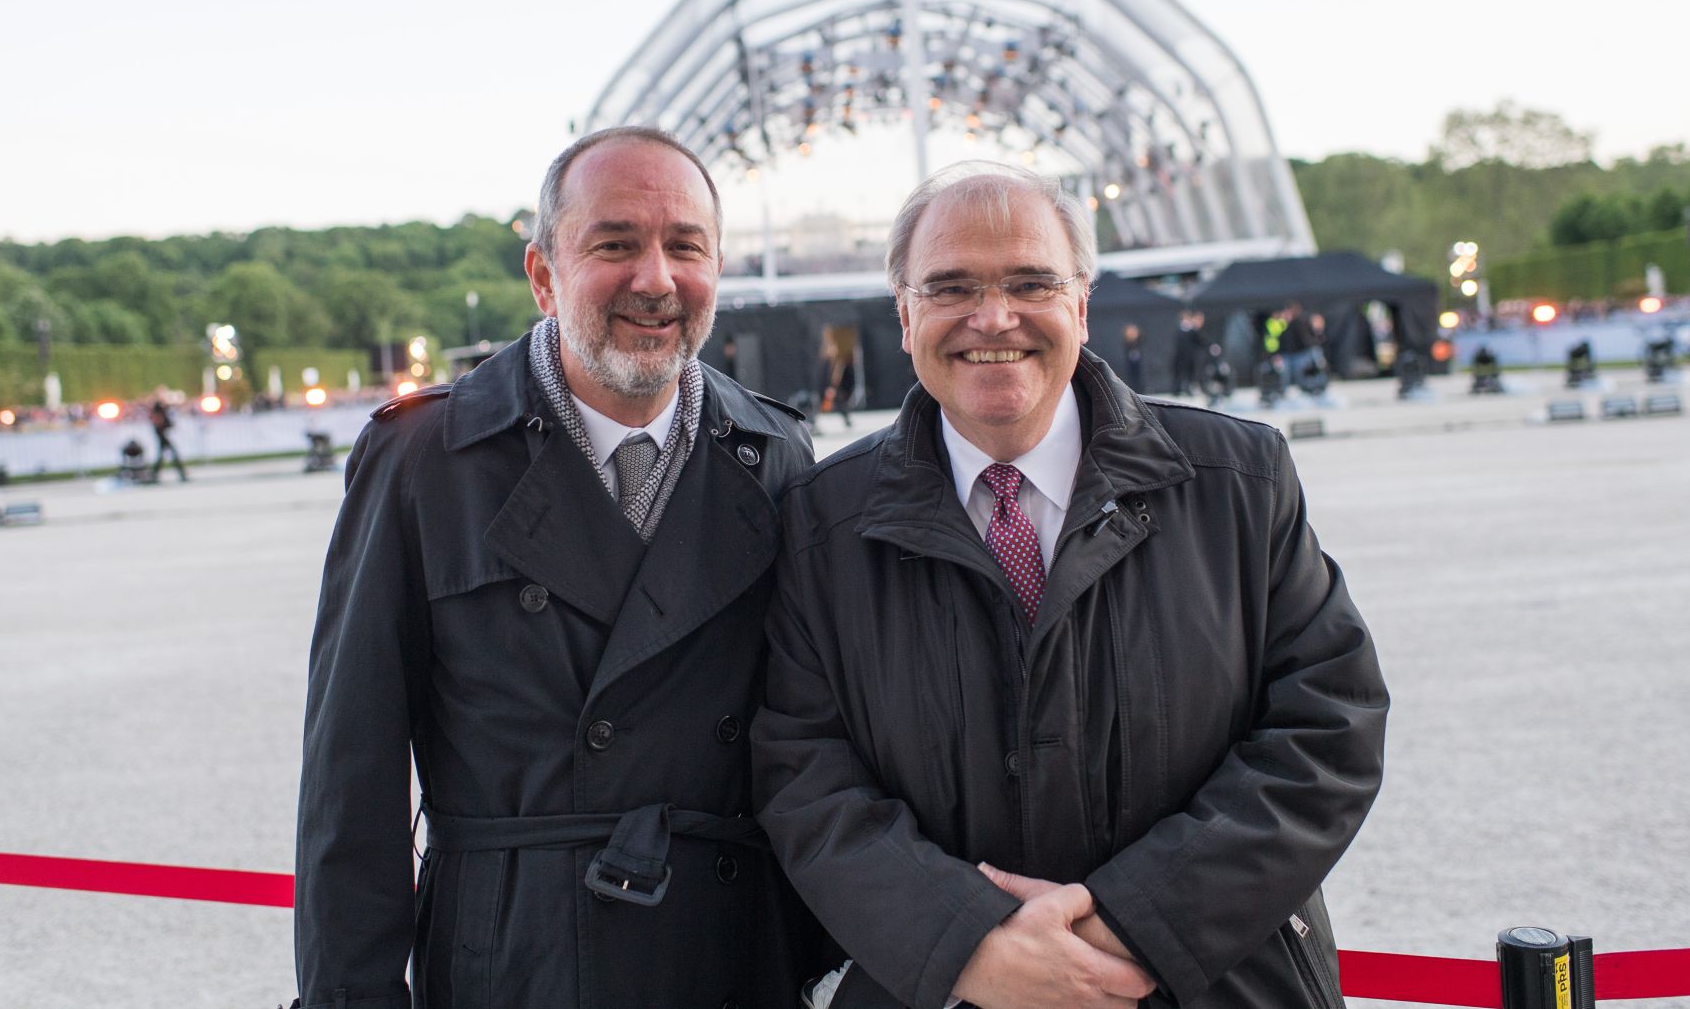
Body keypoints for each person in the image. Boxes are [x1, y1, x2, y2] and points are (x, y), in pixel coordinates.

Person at [753, 162, 1387, 1009]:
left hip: (1212, 984)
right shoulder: (823, 523)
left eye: (1030, 282)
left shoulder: (1236, 481)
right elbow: (804, 774)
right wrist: (970, 944)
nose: (994, 316)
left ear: (1081, 303)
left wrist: (1126, 924)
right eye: (952, 288)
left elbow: (1328, 726)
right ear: (904, 316)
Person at [295, 127, 823, 1008]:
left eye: (684, 246)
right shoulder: (425, 459)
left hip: (732, 957)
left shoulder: (776, 455)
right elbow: (353, 775)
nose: (655, 278)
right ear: (543, 275)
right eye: (615, 244)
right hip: (515, 961)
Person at [148, 394, 187, 482]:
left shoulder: (160, 409)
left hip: (162, 434)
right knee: (171, 455)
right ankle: (181, 474)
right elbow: (159, 421)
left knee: (162, 456)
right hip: (162, 435)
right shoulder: (158, 409)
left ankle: (154, 475)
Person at [1118, 322, 1142, 390]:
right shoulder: (1124, 348)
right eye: (1130, 332)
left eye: (1133, 332)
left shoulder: (1140, 346)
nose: (1132, 334)